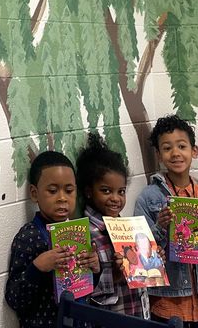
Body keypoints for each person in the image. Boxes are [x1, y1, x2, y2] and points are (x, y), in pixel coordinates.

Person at [135, 115, 198, 327]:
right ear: (159, 155)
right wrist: (160, 227)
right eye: (167, 148)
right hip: (168, 303)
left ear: (194, 151)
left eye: (182, 146)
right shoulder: (149, 198)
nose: (176, 153)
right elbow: (140, 259)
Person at [5, 150, 99, 328]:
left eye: (69, 190)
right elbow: (14, 299)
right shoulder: (29, 237)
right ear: (34, 193)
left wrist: (95, 268)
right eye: (53, 191)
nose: (62, 198)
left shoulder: (80, 231)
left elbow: (88, 287)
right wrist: (38, 267)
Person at [76, 132, 152, 318]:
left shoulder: (130, 228)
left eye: (121, 191)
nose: (115, 199)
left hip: (139, 314)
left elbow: (145, 275)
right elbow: (81, 290)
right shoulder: (85, 234)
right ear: (88, 191)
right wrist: (115, 277)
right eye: (106, 191)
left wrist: (154, 261)